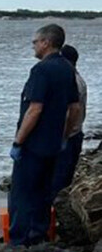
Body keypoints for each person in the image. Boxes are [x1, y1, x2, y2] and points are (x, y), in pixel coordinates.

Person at [8, 24, 81, 246]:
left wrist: (18, 141)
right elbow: (75, 108)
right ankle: (38, 235)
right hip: (53, 144)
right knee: (43, 192)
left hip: (33, 144)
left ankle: (18, 242)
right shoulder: (67, 69)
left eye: (36, 42)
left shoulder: (41, 70)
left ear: (46, 42)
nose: (34, 46)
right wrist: (64, 136)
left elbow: (34, 109)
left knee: (21, 194)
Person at [51, 44, 87, 196]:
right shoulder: (77, 79)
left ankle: (52, 215)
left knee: (58, 182)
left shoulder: (72, 82)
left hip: (68, 136)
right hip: (73, 134)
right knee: (63, 179)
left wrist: (62, 137)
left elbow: (72, 112)